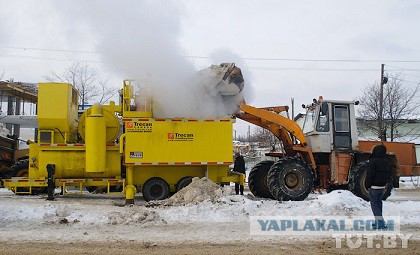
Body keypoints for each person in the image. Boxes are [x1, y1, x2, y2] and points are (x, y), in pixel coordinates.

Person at [365, 145, 390, 229]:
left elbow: (369, 175)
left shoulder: (372, 162)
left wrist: (367, 185)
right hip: (382, 186)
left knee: (375, 206)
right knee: (379, 204)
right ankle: (378, 222)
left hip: (374, 187)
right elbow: (388, 174)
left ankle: (380, 223)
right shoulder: (386, 161)